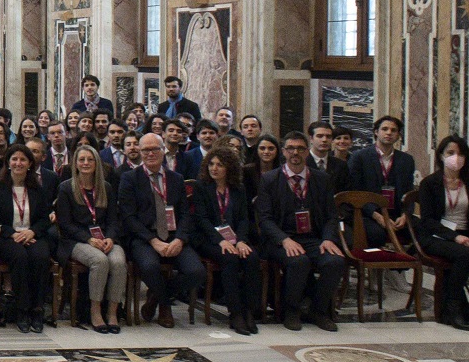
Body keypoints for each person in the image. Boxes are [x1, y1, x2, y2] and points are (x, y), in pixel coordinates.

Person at [255, 132, 346, 331]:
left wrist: (328, 239)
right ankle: (291, 311)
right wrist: (284, 240)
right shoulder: (270, 179)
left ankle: (319, 311)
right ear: (284, 152)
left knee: (335, 261)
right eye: (290, 148)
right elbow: (265, 219)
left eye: (300, 148)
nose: (295, 153)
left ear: (307, 151)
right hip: (280, 239)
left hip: (313, 238)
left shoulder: (322, 179)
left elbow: (332, 215)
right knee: (299, 261)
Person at [119, 132, 202, 328]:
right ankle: (165, 306)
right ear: (139, 152)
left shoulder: (176, 178)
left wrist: (179, 240)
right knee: (149, 267)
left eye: (155, 149)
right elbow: (129, 217)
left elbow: (185, 214)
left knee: (197, 272)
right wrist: (153, 241)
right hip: (144, 238)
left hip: (174, 236)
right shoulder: (129, 178)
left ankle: (155, 298)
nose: (150, 153)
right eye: (145, 150)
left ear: (163, 150)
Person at [416, 135, 469, 331]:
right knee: (464, 254)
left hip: (466, 234)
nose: (455, 158)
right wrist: (455, 237)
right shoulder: (429, 183)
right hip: (436, 236)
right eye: (451, 153)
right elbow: (428, 221)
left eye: (460, 154)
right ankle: (453, 306)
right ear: (441, 156)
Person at [0, 142, 55, 334]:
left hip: (32, 235)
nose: (18, 163)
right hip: (5, 237)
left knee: (41, 256)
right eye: (14, 159)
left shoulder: (37, 189)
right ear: (8, 163)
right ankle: (22, 310)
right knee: (20, 257)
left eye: (23, 159)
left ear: (30, 164)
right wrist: (13, 233)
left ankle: (37, 309)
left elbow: (44, 218)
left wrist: (32, 232)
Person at [192, 146, 261, 335]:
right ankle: (235, 313)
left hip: (234, 238)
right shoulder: (201, 187)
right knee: (230, 259)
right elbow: (201, 219)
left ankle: (249, 312)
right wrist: (220, 241)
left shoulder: (238, 189)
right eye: (211, 164)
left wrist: (241, 241)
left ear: (229, 168)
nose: (214, 168)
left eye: (219, 165)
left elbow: (244, 219)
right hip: (208, 240)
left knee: (251, 258)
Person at [57, 143, 124, 333]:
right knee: (100, 261)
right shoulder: (66, 188)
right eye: (82, 159)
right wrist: (88, 239)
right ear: (75, 164)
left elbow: (113, 219)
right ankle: (95, 311)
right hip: (76, 241)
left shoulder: (106, 188)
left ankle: (112, 312)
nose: (86, 163)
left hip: (105, 239)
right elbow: (65, 224)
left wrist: (110, 237)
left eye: (90, 159)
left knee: (118, 262)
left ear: (96, 163)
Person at [349, 116, 415, 242]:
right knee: (377, 234)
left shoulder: (407, 160)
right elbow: (355, 192)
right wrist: (378, 216)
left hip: (397, 214)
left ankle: (410, 260)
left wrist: (405, 215)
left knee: (421, 229)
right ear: (376, 132)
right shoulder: (359, 157)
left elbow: (409, 191)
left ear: (398, 135)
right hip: (369, 213)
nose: (389, 133)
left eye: (393, 130)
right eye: (384, 129)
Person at [306, 121, 349, 193]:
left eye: (328, 136)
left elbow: (346, 195)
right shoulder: (302, 163)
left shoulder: (340, 165)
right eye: (320, 136)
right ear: (311, 138)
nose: (324, 140)